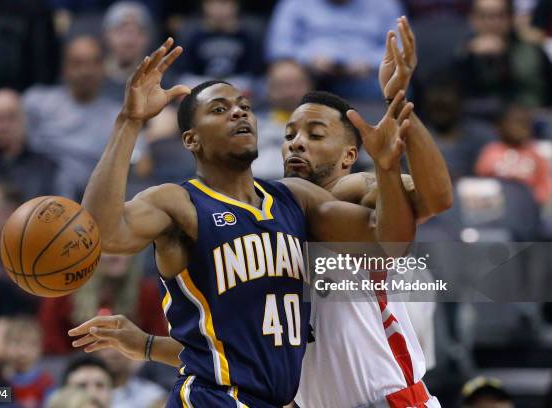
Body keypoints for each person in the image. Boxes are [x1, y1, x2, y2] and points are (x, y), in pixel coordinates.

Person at [72, 20, 452, 408]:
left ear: (349, 156)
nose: (297, 144)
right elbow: (233, 350)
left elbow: (418, 214)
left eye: (315, 135)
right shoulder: (184, 202)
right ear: (191, 139)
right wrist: (130, 121)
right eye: (289, 136)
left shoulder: (332, 195)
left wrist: (393, 141)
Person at [24, 36, 121, 200]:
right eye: (77, 64)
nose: (86, 71)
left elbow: (137, 165)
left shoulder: (119, 116)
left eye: (93, 63)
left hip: (89, 197)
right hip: (35, 188)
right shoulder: (35, 101)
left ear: (103, 68)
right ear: (64, 69)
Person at [266, 0, 403, 100]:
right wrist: (308, 59)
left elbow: (399, 50)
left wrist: (369, 64)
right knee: (285, 74)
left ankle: (382, 137)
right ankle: (284, 133)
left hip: (365, 77)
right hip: (310, 74)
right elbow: (279, 47)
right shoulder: (295, 4)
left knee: (398, 86)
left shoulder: (385, 4)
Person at [39, 254, 168, 355]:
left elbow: (161, 341)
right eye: (107, 246)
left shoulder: (149, 293)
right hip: (78, 373)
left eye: (122, 245)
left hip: (136, 374)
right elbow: (52, 347)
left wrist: (139, 357)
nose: (115, 254)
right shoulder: (62, 295)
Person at [475, 104, 551, 204]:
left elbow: (544, 186)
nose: (522, 128)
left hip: (527, 207)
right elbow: (481, 179)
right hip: (498, 206)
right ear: (501, 126)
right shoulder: (491, 151)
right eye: (517, 122)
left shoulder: (535, 154)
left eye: (526, 123)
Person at [252, 60, 313, 180]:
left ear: (309, 85)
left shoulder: (326, 127)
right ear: (269, 88)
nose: (289, 92)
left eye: (295, 84)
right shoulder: (249, 126)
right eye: (281, 85)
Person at [101, 1, 154, 102]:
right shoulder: (93, 78)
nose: (129, 40)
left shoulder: (159, 80)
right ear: (106, 35)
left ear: (147, 38)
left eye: (138, 31)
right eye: (121, 31)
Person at [5, 316, 55, 408]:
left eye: (31, 344)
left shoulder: (46, 382)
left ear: (40, 348)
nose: (22, 351)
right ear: (5, 345)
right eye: (17, 343)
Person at [96, 347, 167, 408]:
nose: (113, 353)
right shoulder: (88, 391)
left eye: (119, 347)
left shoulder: (152, 395)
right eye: (106, 348)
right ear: (96, 353)